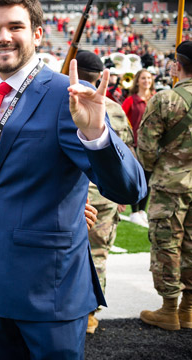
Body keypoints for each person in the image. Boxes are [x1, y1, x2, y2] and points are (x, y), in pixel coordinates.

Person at [0, 0, 146, 359]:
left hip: (49, 292)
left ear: (36, 33)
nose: (3, 37)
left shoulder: (67, 94)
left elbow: (130, 189)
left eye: (14, 27)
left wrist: (96, 134)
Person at [75, 50, 135, 334]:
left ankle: (76, 310)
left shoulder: (66, 103)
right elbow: (127, 152)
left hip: (74, 195)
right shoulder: (117, 109)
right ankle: (90, 314)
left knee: (70, 253)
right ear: (100, 77)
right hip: (107, 193)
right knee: (99, 254)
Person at [138, 40, 192, 331]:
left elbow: (145, 149)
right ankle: (189, 309)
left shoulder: (165, 99)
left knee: (167, 246)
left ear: (178, 66)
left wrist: (155, 165)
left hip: (170, 186)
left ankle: (169, 310)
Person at [122, 68, 155, 227]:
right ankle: (134, 210)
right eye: (143, 78)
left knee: (148, 179)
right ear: (138, 81)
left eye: (149, 78)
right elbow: (122, 120)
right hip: (133, 146)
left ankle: (142, 210)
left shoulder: (155, 99)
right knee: (136, 178)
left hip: (150, 146)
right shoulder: (130, 100)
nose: (146, 81)